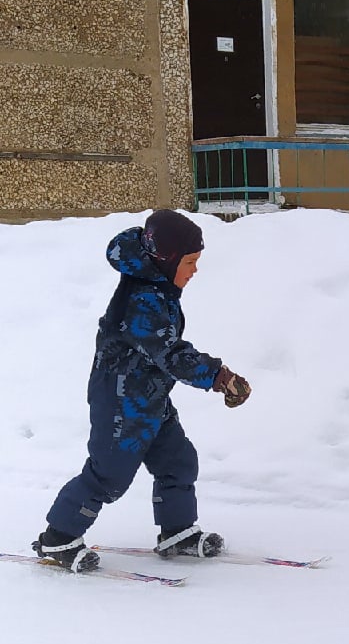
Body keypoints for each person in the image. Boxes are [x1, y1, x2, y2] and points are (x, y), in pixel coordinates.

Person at [33, 209, 251, 573]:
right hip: (121, 402)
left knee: (178, 462)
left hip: (149, 397)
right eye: (191, 262)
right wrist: (217, 376)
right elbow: (170, 353)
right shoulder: (142, 302)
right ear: (167, 260)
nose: (195, 270)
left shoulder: (158, 288)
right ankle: (58, 537)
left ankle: (177, 532)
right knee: (108, 476)